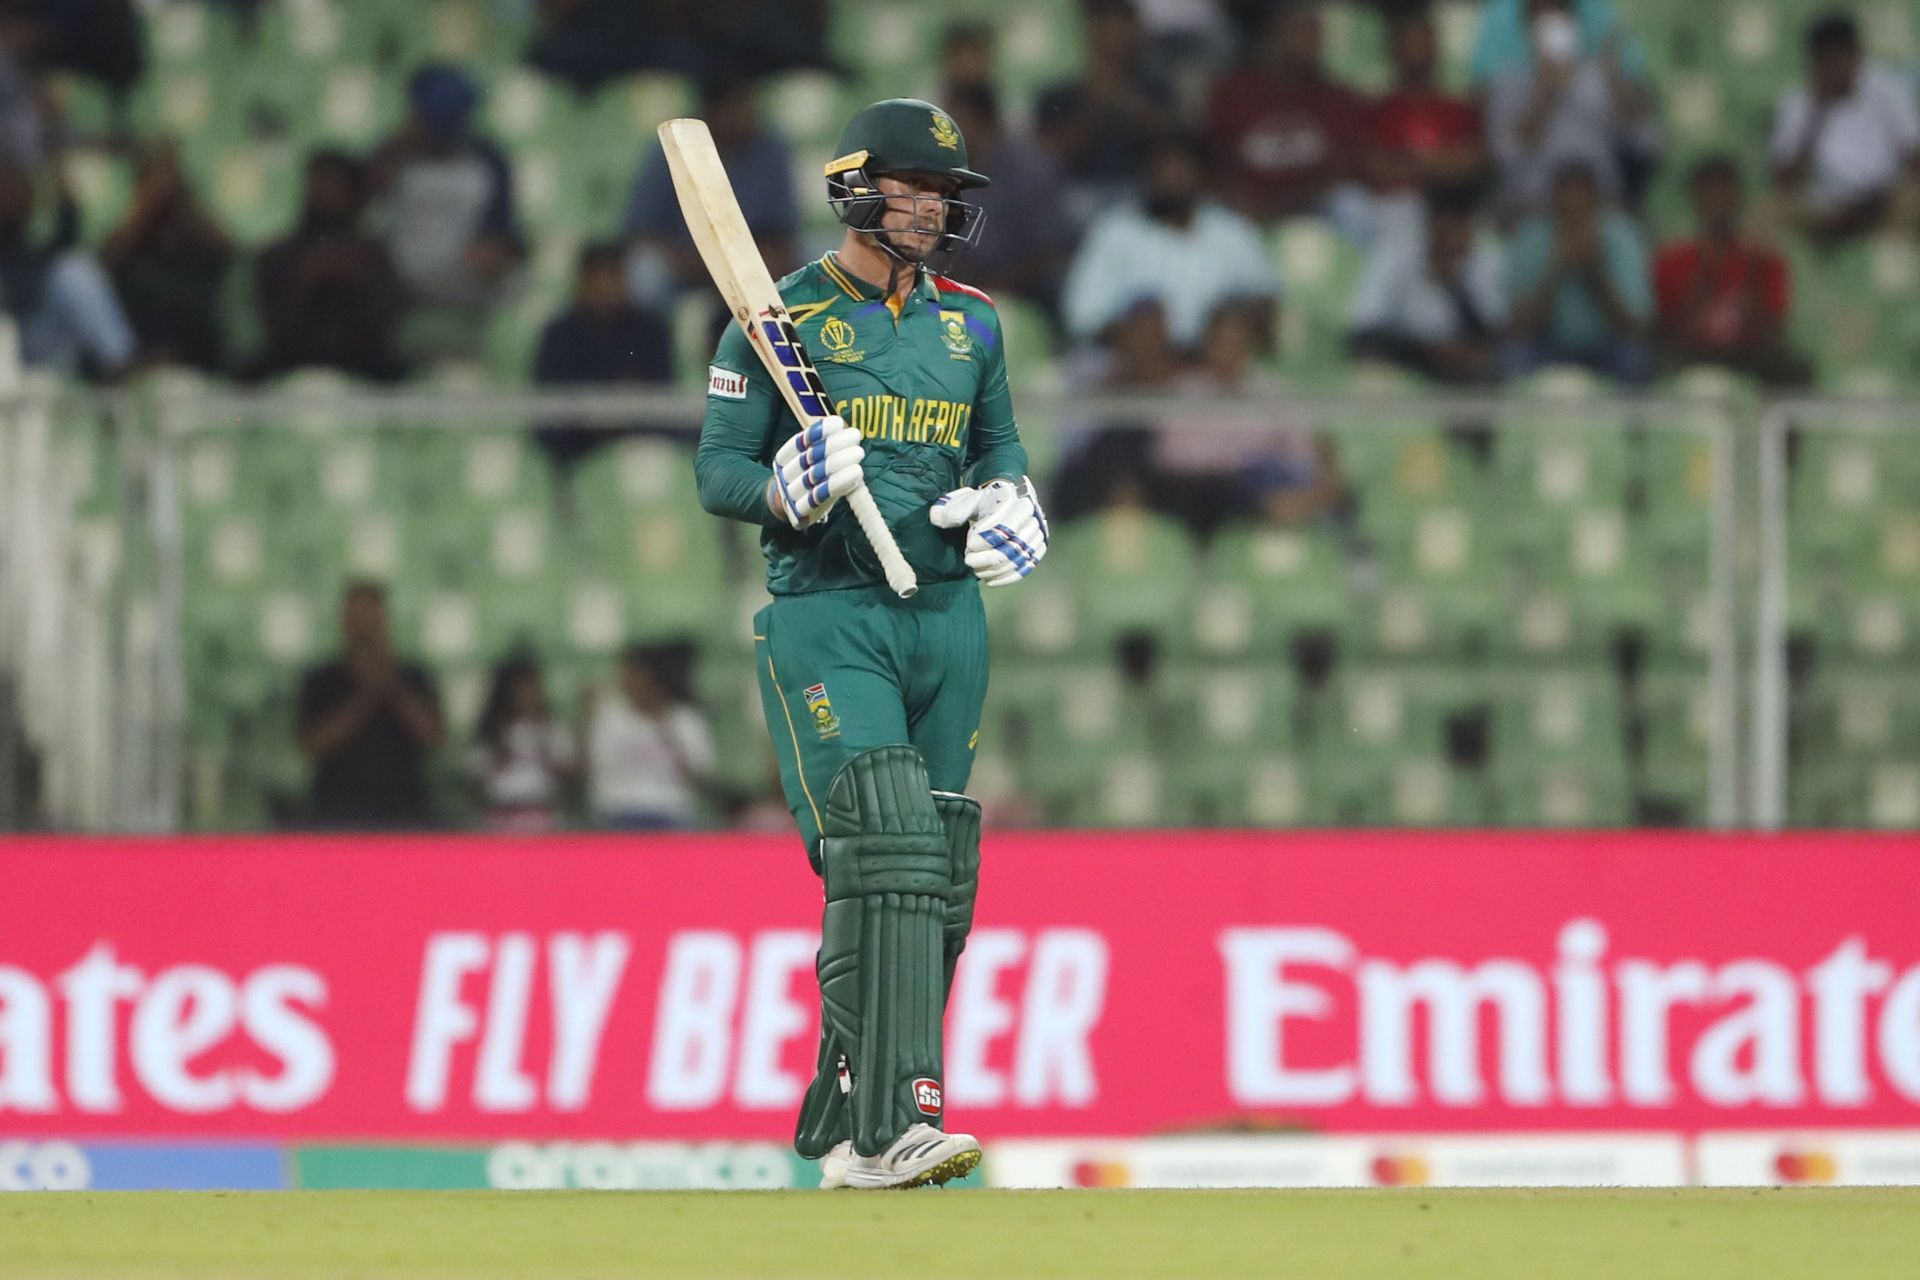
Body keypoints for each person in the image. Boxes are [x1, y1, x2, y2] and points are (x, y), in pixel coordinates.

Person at [694, 98, 1044, 1190]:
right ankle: (895, 1123)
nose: (933, 206)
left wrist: (1011, 508)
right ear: (857, 188)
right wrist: (787, 493)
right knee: (883, 844)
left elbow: (1001, 448)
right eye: (911, 184)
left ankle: (857, 1117)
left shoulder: (974, 323)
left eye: (944, 190)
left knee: (932, 871)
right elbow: (718, 469)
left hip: (946, 616)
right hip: (830, 609)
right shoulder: (779, 316)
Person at [1060, 132, 1281, 351]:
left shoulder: (1233, 232)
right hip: (1137, 369)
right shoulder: (1116, 231)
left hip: (1216, 369)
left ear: (1202, 174)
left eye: (1179, 167)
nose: (1169, 177)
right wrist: (1144, 337)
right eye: (1160, 168)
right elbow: (1084, 317)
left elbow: (1266, 304)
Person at [371, 63, 524, 360]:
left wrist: (490, 251)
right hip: (400, 275)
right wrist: (398, 145)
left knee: (514, 282)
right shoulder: (399, 154)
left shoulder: (489, 159)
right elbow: (369, 197)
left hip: (463, 272)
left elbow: (499, 231)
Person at [624, 76, 796, 310]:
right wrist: (703, 263)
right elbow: (643, 232)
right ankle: (652, 342)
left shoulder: (770, 149)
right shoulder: (670, 149)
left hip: (753, 263)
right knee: (645, 271)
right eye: (733, 106)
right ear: (712, 111)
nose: (743, 114)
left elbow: (781, 231)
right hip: (685, 263)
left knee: (826, 255)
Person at [1485, 0, 1658, 220]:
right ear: (1526, 25)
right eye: (1539, 16)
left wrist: (1617, 81)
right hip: (1536, 214)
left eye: (1557, 13)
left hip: (1602, 211)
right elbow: (1505, 155)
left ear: (1573, 20)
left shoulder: (1601, 76)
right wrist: (1546, 95)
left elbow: (1647, 142)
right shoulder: (1507, 85)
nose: (1548, 23)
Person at [1204, 0, 1371, 225]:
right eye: (1303, 31)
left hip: (1314, 208)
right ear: (1277, 35)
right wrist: (1244, 201)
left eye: (1316, 34)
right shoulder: (1234, 93)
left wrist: (1290, 204)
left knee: (1353, 202)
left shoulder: (1337, 98)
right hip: (1248, 211)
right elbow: (1216, 162)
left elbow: (1343, 166)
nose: (1313, 43)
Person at [296, 581, 446, 829]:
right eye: (358, 619)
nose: (365, 629)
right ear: (344, 621)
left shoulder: (413, 676)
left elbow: (433, 737)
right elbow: (313, 744)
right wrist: (366, 695)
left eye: (372, 619)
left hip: (406, 806)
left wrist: (391, 685)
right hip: (336, 807)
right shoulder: (321, 680)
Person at [252, 149, 407, 381]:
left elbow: (387, 318)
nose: (322, 190)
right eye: (317, 181)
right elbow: (273, 319)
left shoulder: (372, 254)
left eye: (332, 182)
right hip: (295, 355)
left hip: (361, 357)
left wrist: (351, 274)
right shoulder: (280, 252)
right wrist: (306, 277)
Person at [1655, 156, 1810, 386]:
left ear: (1737, 197)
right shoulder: (1672, 259)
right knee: (1660, 364)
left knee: (1794, 369)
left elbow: (1772, 328)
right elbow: (1669, 328)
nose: (1717, 202)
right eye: (1709, 193)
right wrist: (1707, 267)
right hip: (1695, 351)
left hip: (1747, 352)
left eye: (1723, 193)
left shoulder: (1764, 257)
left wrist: (1754, 269)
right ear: (1695, 199)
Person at [1770, 11, 1920, 246]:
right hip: (1826, 206)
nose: (1837, 67)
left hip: (1884, 198)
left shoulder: (1887, 89)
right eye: (1827, 59)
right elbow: (1784, 184)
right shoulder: (1798, 102)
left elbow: (1914, 159)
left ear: (1857, 55)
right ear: (1815, 62)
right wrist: (1818, 114)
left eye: (1843, 57)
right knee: (1770, 212)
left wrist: (1882, 194)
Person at [532, 241, 677, 474]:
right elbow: (547, 401)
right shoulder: (559, 333)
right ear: (582, 281)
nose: (604, 287)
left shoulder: (650, 330)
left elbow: (664, 393)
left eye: (612, 277)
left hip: (640, 436)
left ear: (625, 280)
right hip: (577, 443)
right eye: (596, 277)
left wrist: (631, 405)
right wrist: (590, 413)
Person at [1503, 160, 1652, 384]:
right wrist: (1556, 268)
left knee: (1634, 356)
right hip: (1548, 346)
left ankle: (1634, 420)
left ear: (1596, 200)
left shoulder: (1622, 237)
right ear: (1553, 200)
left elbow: (1636, 328)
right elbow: (1518, 327)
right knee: (1513, 356)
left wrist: (1594, 270)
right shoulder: (1531, 238)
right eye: (1566, 203)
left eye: (1581, 203)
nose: (1574, 210)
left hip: (1607, 347)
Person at [1349, 184, 1509, 384]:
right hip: (1406, 352)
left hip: (1463, 361)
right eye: (1442, 226)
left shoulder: (1483, 256)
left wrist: (1455, 284)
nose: (1449, 236)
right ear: (1429, 223)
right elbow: (1365, 326)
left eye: (1457, 227)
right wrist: (1428, 351)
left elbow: (1492, 330)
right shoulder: (1395, 252)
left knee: (1497, 365)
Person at [100, 139, 233, 373]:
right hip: (141, 349)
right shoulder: (133, 218)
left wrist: (185, 202)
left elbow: (226, 251)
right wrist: (148, 203)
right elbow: (108, 261)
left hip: (196, 347)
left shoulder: (190, 217)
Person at [942, 85, 1071, 320]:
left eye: (961, 124)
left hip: (1025, 285)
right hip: (961, 281)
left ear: (988, 124)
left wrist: (1002, 284)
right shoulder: (938, 172)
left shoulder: (1028, 169)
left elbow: (1049, 248)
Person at [1035, 0, 1170, 224]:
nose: (1117, 44)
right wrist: (1096, 108)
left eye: (1123, 33)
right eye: (1109, 32)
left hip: (1139, 189)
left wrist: (1130, 105)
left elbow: (1171, 149)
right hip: (1078, 191)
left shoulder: (1154, 89)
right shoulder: (1059, 94)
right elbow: (1050, 159)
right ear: (1093, 35)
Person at [0, 160, 134, 379]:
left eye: (12, 191)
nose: (6, 198)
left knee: (75, 272)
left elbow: (120, 361)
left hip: (55, 384)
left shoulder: (67, 272)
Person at [584, 643, 715, 830]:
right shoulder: (608, 718)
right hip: (618, 812)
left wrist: (666, 733)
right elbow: (593, 770)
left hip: (671, 812)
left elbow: (702, 778)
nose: (629, 683)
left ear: (655, 680)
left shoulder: (686, 720)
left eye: (637, 676)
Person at [1367, 10, 1488, 204]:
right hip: (1393, 208)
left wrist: (1409, 161)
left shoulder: (1459, 109)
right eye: (1410, 44)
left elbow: (1474, 161)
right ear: (1394, 49)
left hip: (1452, 207)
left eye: (1424, 43)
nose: (1418, 52)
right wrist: (1440, 163)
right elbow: (1376, 166)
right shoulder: (1378, 110)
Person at [467, 654, 578, 833]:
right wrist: (500, 758)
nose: (527, 695)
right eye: (520, 689)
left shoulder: (553, 728)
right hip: (501, 812)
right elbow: (475, 779)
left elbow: (571, 776)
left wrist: (547, 756)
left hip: (543, 810)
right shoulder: (491, 731)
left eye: (532, 688)